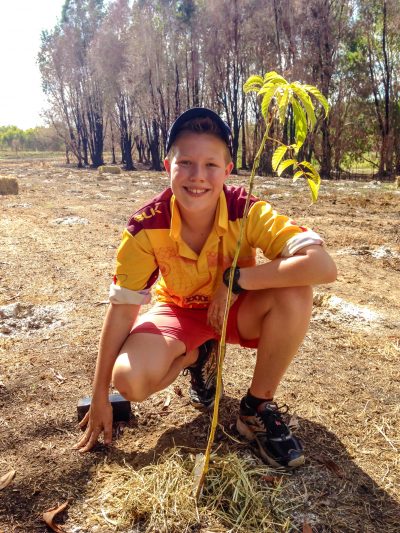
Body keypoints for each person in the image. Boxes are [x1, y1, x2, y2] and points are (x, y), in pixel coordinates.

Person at [74, 107, 337, 468]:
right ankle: (199, 356)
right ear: (168, 166)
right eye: (185, 163)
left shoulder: (246, 209)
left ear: (227, 171)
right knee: (130, 381)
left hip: (234, 308)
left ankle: (255, 408)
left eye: (211, 165)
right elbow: (122, 309)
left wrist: (237, 280)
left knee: (296, 289)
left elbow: (323, 266)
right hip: (178, 310)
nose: (198, 177)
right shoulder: (144, 226)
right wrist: (100, 393)